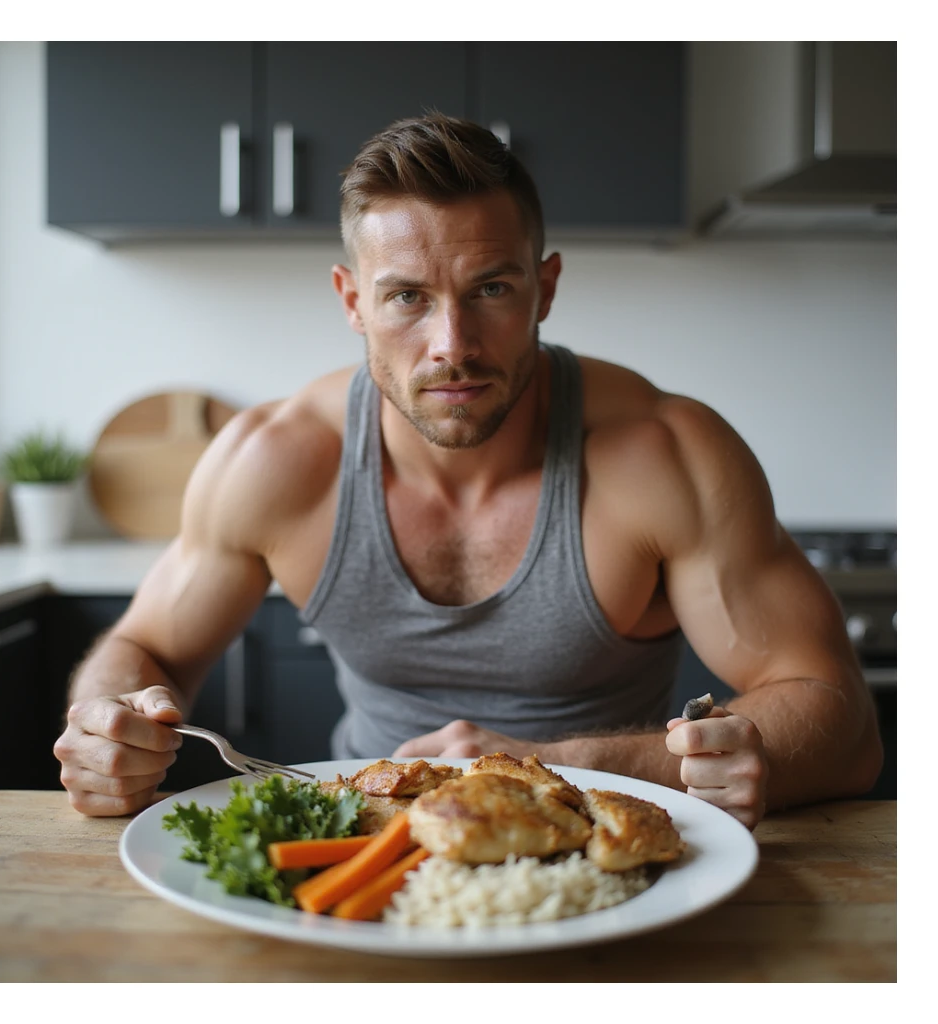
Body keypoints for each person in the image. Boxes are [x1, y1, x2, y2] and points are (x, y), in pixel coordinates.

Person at [53, 113, 883, 829]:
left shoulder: (667, 453)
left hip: (600, 854)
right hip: (363, 847)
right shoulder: (275, 461)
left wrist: (567, 765)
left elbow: (843, 727)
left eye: (490, 289)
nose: (452, 345)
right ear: (352, 301)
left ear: (544, 289)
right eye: (407, 297)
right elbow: (144, 648)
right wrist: (108, 721)